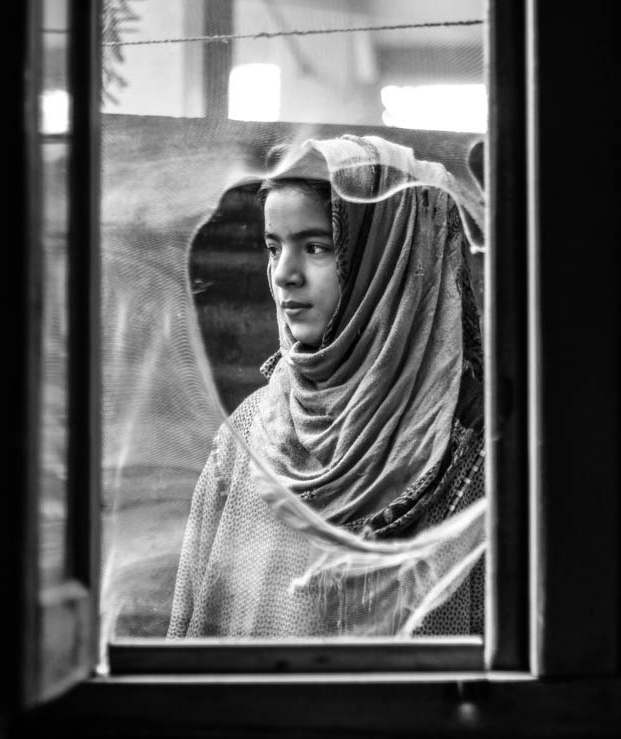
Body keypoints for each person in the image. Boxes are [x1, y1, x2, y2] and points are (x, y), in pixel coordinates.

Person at [168, 135, 486, 638]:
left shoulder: (472, 451)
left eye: (317, 247)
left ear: (387, 261)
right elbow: (190, 640)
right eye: (274, 248)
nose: (284, 275)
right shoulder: (248, 437)